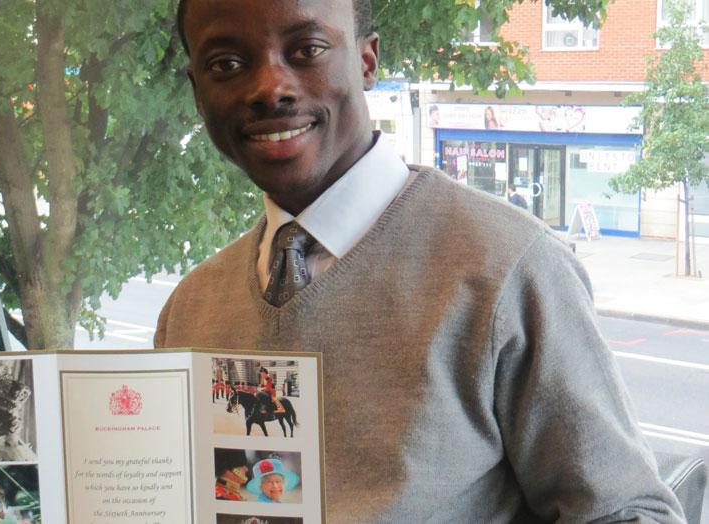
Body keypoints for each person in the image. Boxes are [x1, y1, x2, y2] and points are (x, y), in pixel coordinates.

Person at [157, 0, 685, 521]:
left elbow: (631, 513)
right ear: (197, 94)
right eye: (226, 64)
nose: (269, 87)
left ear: (367, 61)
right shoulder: (190, 311)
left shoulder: (508, 268)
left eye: (308, 49)